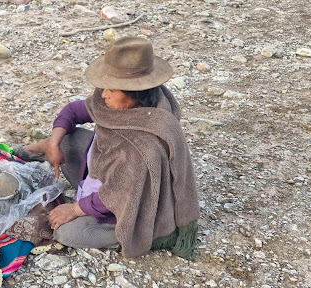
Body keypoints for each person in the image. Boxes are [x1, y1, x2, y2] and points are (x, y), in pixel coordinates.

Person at [15, 36, 200, 259]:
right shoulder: (119, 101)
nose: (103, 95)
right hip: (110, 172)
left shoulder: (145, 144)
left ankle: (119, 231)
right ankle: (46, 148)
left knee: (67, 233)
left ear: (135, 93)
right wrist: (54, 143)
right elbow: (74, 111)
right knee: (66, 139)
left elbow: (118, 193)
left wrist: (74, 209)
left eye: (111, 89)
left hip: (132, 203)